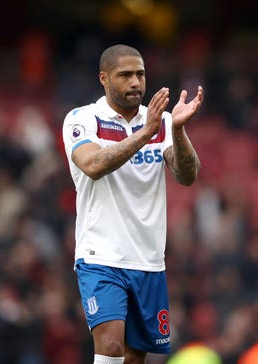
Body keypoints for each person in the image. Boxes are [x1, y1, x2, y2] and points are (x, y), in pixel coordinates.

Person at [62, 44, 203, 364]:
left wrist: (177, 130)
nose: (136, 82)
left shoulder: (163, 122)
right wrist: (145, 133)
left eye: (140, 74)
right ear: (104, 78)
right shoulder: (83, 118)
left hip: (149, 261)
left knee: (135, 357)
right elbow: (94, 164)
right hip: (101, 255)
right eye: (125, 75)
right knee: (110, 346)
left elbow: (187, 175)